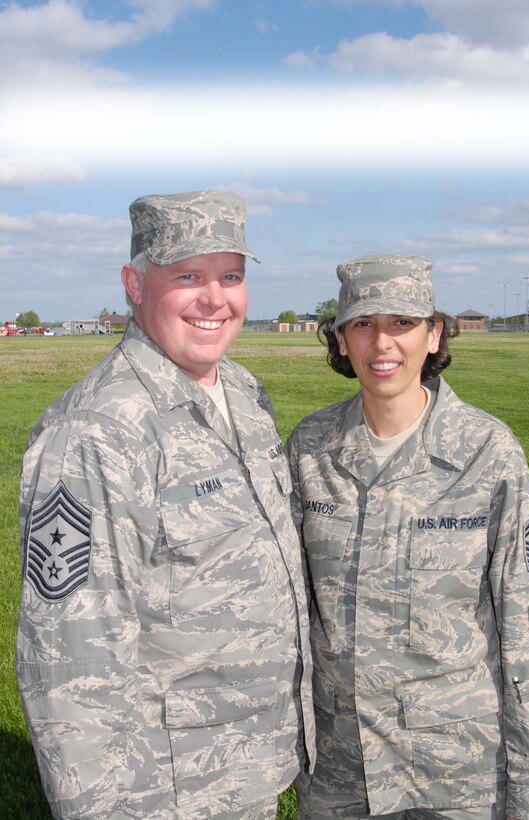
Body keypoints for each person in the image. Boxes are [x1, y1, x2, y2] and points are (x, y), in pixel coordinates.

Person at [16, 190, 315, 819]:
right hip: (166, 791)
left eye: (230, 276)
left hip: (249, 769)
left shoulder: (241, 391)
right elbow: (71, 662)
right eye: (187, 276)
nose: (215, 299)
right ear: (134, 283)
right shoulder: (97, 431)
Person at [285, 255, 529, 820]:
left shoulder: (486, 453)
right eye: (363, 324)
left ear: (434, 335)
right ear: (339, 339)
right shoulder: (310, 450)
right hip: (340, 772)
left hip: (456, 774)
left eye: (402, 323)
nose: (383, 344)